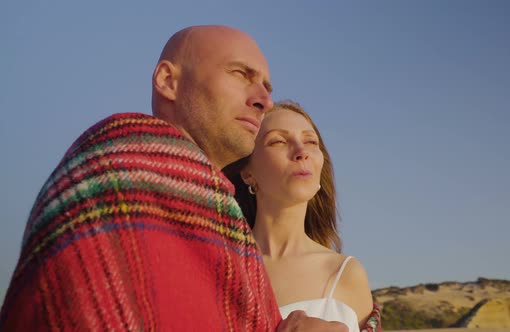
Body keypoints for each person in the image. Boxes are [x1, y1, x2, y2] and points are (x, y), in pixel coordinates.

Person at [0, 25, 351, 331]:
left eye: (267, 86)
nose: (264, 100)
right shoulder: (114, 175)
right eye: (241, 74)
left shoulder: (233, 238)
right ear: (168, 81)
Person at [224, 100, 381, 332]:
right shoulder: (220, 265)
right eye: (278, 141)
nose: (301, 152)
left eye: (311, 141)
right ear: (247, 173)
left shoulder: (345, 274)